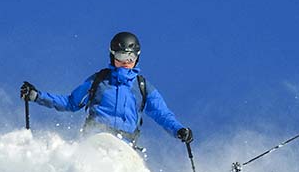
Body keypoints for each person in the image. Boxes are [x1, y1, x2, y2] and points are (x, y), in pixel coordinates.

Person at [20, 31, 193, 147]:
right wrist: (37, 96)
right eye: (120, 56)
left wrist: (178, 130)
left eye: (130, 57)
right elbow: (71, 102)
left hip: (125, 144)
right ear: (112, 56)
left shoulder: (142, 87)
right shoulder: (99, 81)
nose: (125, 62)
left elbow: (162, 113)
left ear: (137, 58)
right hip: (96, 138)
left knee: (126, 164)